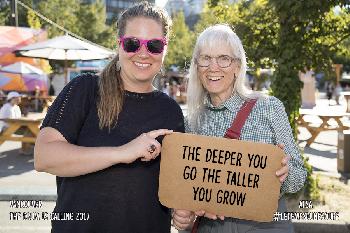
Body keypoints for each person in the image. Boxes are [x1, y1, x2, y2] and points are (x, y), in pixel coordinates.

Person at [34, 2, 184, 233]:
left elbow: (175, 187)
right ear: (119, 45)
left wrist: (185, 213)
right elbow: (44, 157)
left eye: (154, 45)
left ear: (165, 48)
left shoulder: (171, 111)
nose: (143, 53)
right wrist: (123, 152)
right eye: (132, 43)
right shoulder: (84, 89)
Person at [172, 24, 306, 233]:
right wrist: (183, 216)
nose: (213, 67)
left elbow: (298, 176)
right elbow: (189, 191)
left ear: (237, 66)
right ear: (197, 66)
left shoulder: (269, 107)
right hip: (211, 227)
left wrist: (284, 174)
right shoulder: (191, 122)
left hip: (266, 224)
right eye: (205, 58)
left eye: (224, 58)